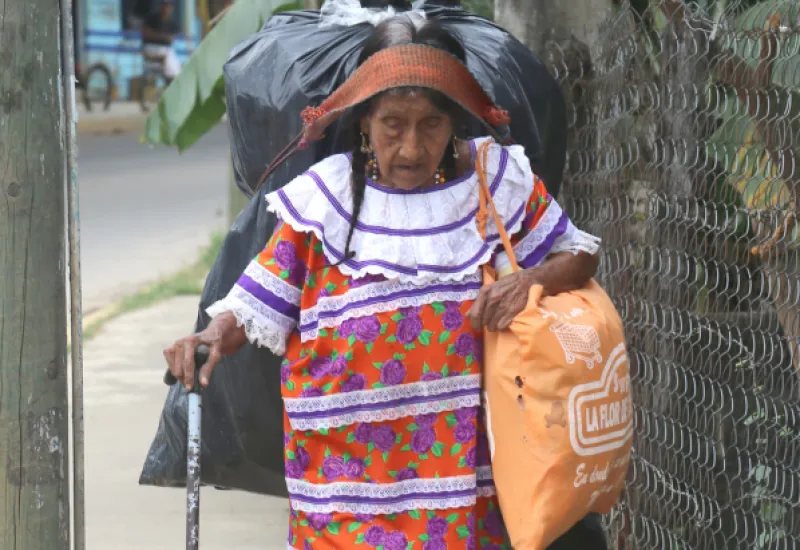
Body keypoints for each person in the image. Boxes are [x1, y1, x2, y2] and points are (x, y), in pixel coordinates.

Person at [164, 17, 601, 548]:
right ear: (365, 119)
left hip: (460, 482)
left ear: (455, 122)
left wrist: (528, 281)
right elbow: (260, 298)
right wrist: (209, 338)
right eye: (393, 123)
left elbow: (578, 256)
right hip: (340, 481)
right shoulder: (324, 199)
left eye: (432, 124)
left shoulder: (494, 181)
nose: (412, 148)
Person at [141, 0, 181, 82]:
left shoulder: (172, 23)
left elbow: (171, 38)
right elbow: (146, 33)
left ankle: (171, 83)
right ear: (160, 6)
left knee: (174, 63)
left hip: (166, 50)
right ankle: (170, 82)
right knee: (168, 57)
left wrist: (158, 36)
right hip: (150, 48)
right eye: (164, 5)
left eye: (168, 6)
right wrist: (162, 36)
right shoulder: (151, 18)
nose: (166, 8)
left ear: (171, 8)